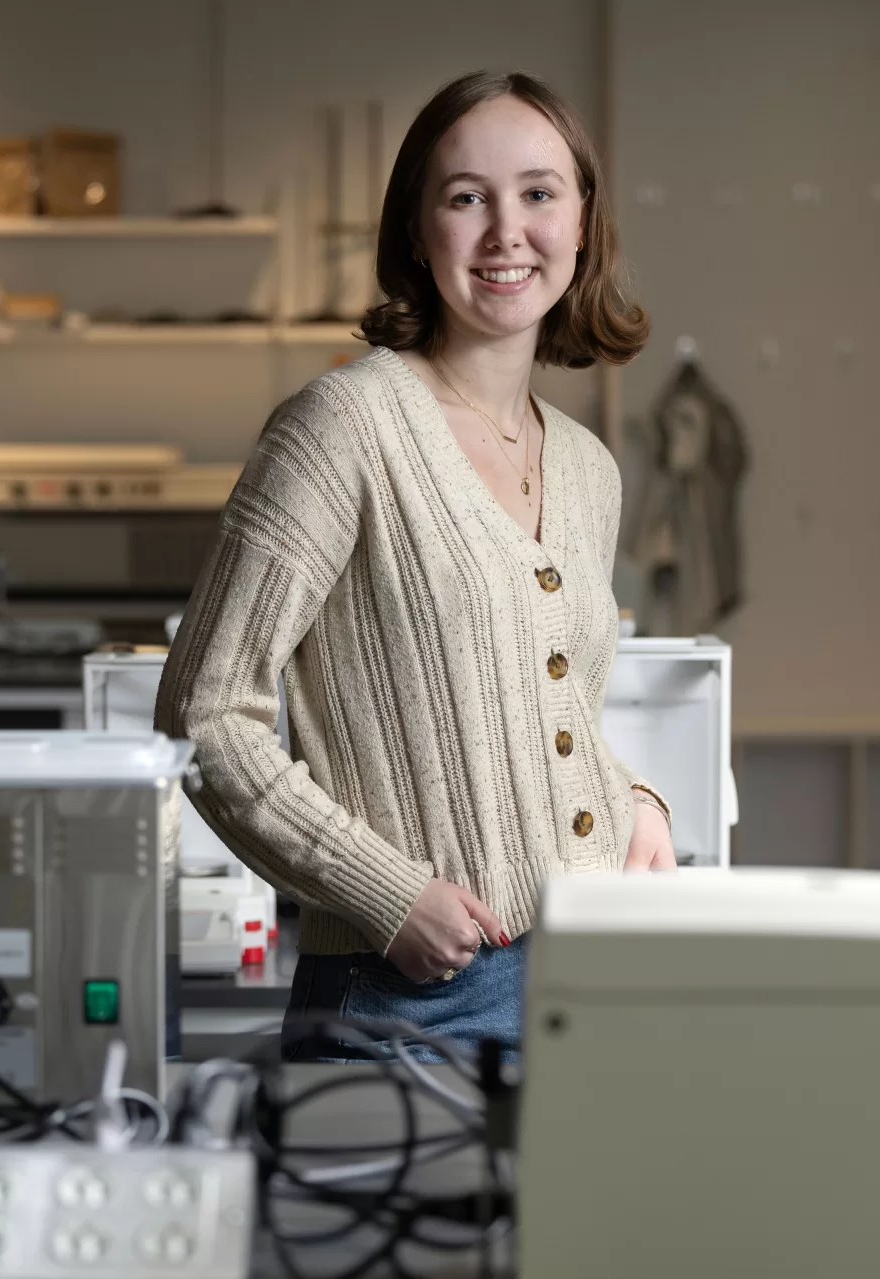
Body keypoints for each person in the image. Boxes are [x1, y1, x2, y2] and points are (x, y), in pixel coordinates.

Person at [156, 70, 673, 1061]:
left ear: (582, 223)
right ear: (415, 229)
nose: (504, 232)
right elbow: (204, 712)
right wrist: (386, 895)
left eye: (536, 193)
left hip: (590, 971)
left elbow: (531, 715)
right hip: (412, 994)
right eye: (464, 197)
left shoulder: (584, 468)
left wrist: (633, 796)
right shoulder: (340, 427)